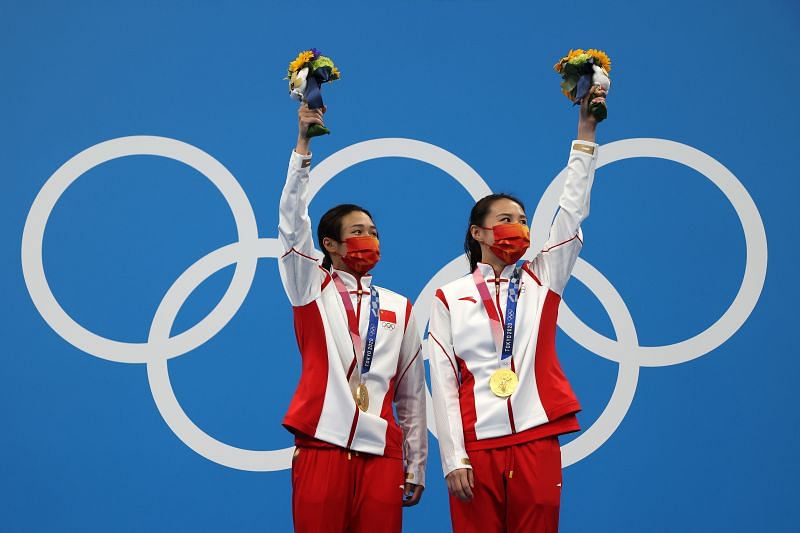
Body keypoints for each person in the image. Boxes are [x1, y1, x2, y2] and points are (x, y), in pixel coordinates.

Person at [428, 84, 608, 532]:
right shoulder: (449, 297)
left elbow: (571, 213)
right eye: (505, 220)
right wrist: (453, 457)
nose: (519, 228)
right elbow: (445, 384)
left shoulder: (542, 278)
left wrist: (585, 132)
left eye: (524, 221)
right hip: (477, 446)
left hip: (536, 438)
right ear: (478, 233)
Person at [277, 103, 427, 533]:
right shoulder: (310, 288)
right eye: (359, 232)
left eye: (375, 231)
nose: (370, 239)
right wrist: (302, 149)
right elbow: (291, 225)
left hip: (381, 454)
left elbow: (412, 395)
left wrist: (416, 464)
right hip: (322, 445)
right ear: (330, 244)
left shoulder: (399, 306)